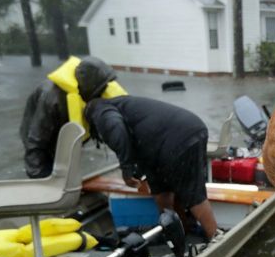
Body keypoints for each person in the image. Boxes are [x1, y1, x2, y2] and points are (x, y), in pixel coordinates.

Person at [84, 95, 218, 240]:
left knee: (192, 194)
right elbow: (136, 136)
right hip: (167, 141)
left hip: (179, 136)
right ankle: (177, 232)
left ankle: (216, 240)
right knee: (161, 190)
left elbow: (116, 128)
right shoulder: (120, 104)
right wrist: (138, 171)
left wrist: (127, 169)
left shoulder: (99, 111)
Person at [20, 56, 116, 178]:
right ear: (89, 84)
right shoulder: (51, 98)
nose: (103, 91)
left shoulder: (86, 93)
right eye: (101, 88)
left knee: (65, 161)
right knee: (45, 161)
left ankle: (64, 179)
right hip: (37, 129)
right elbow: (36, 139)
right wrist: (38, 177)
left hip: (61, 122)